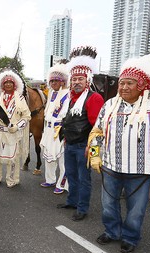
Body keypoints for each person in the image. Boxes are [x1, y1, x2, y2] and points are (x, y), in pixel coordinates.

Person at [88, 51, 150, 253]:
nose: (123, 87)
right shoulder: (110, 105)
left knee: (136, 210)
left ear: (141, 85)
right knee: (108, 204)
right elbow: (97, 131)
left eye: (129, 83)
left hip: (142, 170)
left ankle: (130, 237)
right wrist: (95, 155)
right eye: (122, 83)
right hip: (111, 165)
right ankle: (112, 231)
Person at [56, 46, 104, 221]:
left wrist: (92, 150)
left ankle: (82, 208)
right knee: (71, 174)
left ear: (87, 80)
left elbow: (97, 127)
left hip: (84, 146)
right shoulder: (71, 98)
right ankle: (72, 201)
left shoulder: (94, 98)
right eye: (74, 79)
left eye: (80, 79)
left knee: (84, 179)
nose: (76, 82)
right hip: (70, 144)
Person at [0, 69, 31, 188]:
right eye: (6, 82)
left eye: (10, 83)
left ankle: (12, 179)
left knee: (13, 157)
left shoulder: (20, 99)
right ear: (2, 84)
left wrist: (17, 127)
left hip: (12, 132)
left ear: (14, 84)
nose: (8, 84)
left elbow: (27, 116)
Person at [39, 62, 69, 194]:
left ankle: (62, 184)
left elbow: (65, 113)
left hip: (60, 129)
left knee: (62, 158)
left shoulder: (68, 94)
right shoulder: (51, 93)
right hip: (48, 129)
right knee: (48, 156)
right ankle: (50, 179)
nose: (53, 83)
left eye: (56, 81)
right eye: (51, 81)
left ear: (62, 81)